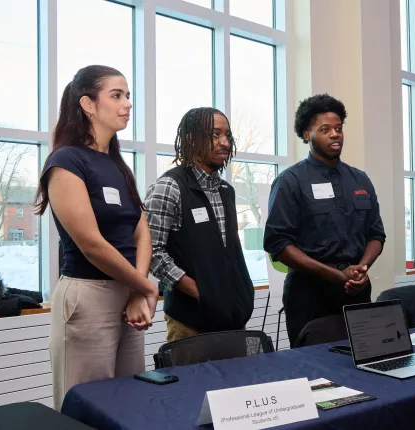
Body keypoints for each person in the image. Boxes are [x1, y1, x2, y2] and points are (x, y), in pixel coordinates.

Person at [35, 65, 157, 411]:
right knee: (86, 409)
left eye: (128, 96)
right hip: (88, 296)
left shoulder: (118, 165)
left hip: (128, 293)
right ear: (88, 104)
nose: (127, 104)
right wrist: (146, 287)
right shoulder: (66, 161)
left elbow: (141, 230)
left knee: (129, 402)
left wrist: (138, 289)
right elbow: (91, 243)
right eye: (116, 95)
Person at [263, 94, 386, 348]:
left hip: (356, 291)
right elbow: (278, 244)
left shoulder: (360, 180)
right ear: (307, 134)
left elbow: (376, 234)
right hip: (309, 296)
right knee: (316, 374)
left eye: (339, 128)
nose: (335, 135)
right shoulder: (290, 182)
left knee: (366, 365)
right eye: (325, 129)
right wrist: (335, 275)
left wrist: (361, 268)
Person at [145, 107, 254, 342]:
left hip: (232, 319)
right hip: (190, 323)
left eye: (228, 136)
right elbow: (151, 252)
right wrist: (200, 291)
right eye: (216, 135)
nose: (225, 143)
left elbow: (228, 253)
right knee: (194, 380)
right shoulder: (169, 187)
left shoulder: (226, 191)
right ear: (191, 139)